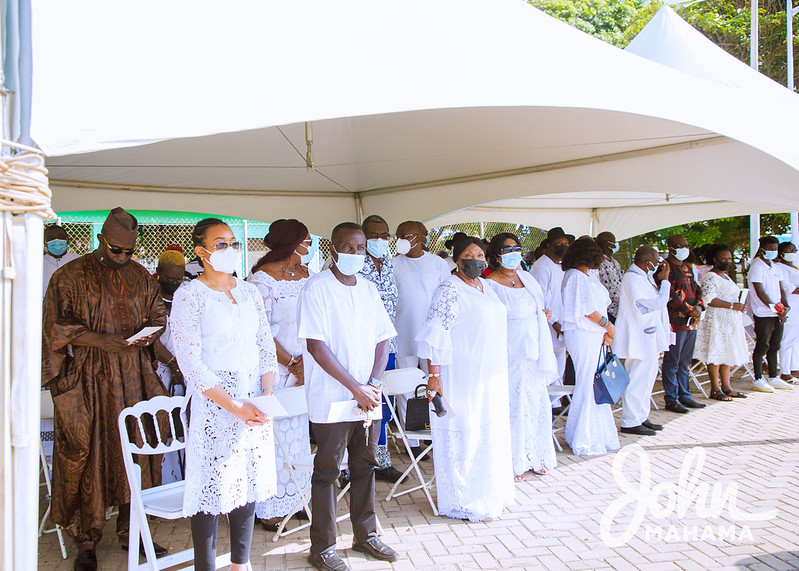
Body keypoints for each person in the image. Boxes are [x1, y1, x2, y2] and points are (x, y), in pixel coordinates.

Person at [42, 207, 167, 571]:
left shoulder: (141, 276)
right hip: (88, 381)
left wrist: (144, 336)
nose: (124, 257)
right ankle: (86, 540)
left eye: (129, 251)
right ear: (100, 240)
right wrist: (98, 340)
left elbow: (158, 317)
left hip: (133, 378)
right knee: (88, 452)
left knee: (138, 450)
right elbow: (54, 326)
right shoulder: (70, 275)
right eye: (117, 250)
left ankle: (133, 529)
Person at [170, 218, 278, 571]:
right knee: (211, 486)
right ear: (200, 251)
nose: (230, 249)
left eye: (233, 242)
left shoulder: (249, 291)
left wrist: (265, 394)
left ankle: (239, 563)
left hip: (253, 397)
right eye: (220, 244)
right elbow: (189, 358)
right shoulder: (190, 295)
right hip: (215, 402)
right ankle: (207, 566)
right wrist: (232, 404)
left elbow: (265, 344)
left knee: (246, 477)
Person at [298, 222, 399, 571]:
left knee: (365, 465)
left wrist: (372, 382)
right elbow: (315, 345)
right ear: (332, 249)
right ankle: (322, 547)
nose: (355, 254)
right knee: (327, 472)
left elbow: (383, 337)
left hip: (368, 398)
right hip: (332, 399)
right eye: (348, 247)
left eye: (360, 248)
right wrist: (355, 387)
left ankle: (365, 535)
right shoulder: (317, 288)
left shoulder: (369, 289)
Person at [417, 236, 515, 520]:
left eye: (481, 254)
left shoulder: (485, 286)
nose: (476, 259)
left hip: (489, 373)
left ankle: (488, 490)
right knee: (466, 429)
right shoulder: (449, 289)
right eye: (470, 254)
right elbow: (436, 333)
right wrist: (434, 375)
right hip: (461, 373)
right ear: (457, 259)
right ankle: (462, 498)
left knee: (488, 427)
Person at [247, 219, 315, 530]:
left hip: (305, 366)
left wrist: (308, 362)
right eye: (305, 239)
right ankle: (270, 507)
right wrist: (290, 362)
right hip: (275, 368)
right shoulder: (261, 280)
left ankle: (298, 498)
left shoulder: (307, 275)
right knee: (273, 439)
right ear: (291, 243)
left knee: (298, 436)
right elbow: (259, 332)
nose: (310, 244)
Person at [485, 233, 557, 479]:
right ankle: (514, 460)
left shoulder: (527, 278)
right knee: (513, 404)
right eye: (507, 250)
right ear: (496, 256)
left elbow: (539, 306)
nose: (514, 253)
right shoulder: (491, 284)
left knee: (536, 401)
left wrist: (542, 314)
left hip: (534, 352)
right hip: (509, 352)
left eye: (517, 248)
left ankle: (537, 455)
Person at [393, 220, 450, 454]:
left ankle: (435, 433)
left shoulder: (437, 263)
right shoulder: (392, 264)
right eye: (400, 236)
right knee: (406, 386)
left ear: (423, 237)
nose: (403, 241)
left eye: (408, 236)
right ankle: (412, 441)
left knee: (433, 383)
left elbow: (447, 296)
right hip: (402, 332)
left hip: (431, 335)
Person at [560, 237, 620, 456]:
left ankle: (597, 434)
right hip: (583, 333)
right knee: (587, 383)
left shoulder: (588, 275)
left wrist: (606, 331)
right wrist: (608, 326)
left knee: (594, 383)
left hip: (595, 334)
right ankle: (584, 437)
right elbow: (587, 310)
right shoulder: (575, 276)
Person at [357, 214, 404, 483]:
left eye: (384, 236)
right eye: (374, 236)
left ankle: (382, 462)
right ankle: (358, 463)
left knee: (385, 406)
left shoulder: (388, 264)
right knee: (362, 404)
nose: (380, 240)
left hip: (389, 345)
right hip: (361, 347)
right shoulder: (349, 264)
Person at [613, 246, 672, 436]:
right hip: (638, 338)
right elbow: (656, 303)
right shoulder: (632, 278)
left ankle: (641, 417)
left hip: (648, 337)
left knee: (647, 379)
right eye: (656, 261)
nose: (658, 265)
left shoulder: (643, 277)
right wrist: (665, 283)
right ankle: (630, 421)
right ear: (648, 262)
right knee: (637, 379)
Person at [694, 244, 749, 401]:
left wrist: (738, 307)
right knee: (716, 352)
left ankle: (727, 386)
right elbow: (709, 299)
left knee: (726, 352)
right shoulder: (710, 276)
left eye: (730, 258)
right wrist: (732, 306)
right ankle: (715, 388)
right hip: (717, 318)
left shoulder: (726, 276)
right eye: (723, 258)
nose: (727, 261)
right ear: (715, 259)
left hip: (730, 319)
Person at [658, 235, 707, 413]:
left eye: (686, 245)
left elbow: (697, 288)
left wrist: (699, 307)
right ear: (670, 247)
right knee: (672, 361)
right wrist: (688, 309)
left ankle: (684, 395)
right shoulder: (663, 267)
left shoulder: (687, 267)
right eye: (680, 246)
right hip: (675, 321)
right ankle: (671, 398)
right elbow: (669, 294)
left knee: (685, 361)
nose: (684, 249)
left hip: (691, 322)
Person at [152, 247, 187, 484]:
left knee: (183, 426)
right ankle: (163, 483)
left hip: (187, 372)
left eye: (179, 278)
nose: (175, 282)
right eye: (170, 278)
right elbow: (151, 339)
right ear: (159, 273)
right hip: (159, 372)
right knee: (162, 427)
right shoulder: (149, 295)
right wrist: (173, 366)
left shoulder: (188, 293)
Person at [530, 227, 574, 406]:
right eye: (559, 244)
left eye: (566, 244)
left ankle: (555, 401)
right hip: (549, 323)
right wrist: (554, 321)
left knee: (559, 363)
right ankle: (548, 403)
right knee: (548, 364)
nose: (563, 247)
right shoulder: (542, 266)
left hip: (561, 323)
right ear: (548, 245)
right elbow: (540, 298)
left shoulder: (560, 266)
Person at [748, 236, 792, 391]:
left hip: (777, 313)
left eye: (775, 249)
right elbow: (760, 292)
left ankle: (773, 376)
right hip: (764, 313)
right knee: (762, 345)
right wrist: (776, 308)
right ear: (762, 249)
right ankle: (758, 378)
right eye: (771, 248)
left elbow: (781, 289)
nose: (773, 251)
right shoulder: (756, 266)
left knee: (775, 345)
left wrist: (785, 307)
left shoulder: (774, 266)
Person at [777, 241, 799, 383]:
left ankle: (794, 368)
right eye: (789, 250)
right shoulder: (780, 268)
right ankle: (785, 371)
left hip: (797, 307)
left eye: (794, 250)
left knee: (795, 341)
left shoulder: (793, 267)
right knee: (787, 340)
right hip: (789, 306)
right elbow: (787, 287)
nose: (792, 252)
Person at [42, 224, 80, 295]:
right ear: (45, 243)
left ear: (67, 240)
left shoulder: (79, 261)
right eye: (51, 238)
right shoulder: (39, 263)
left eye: (60, 237)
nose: (56, 241)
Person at [596, 231, 624, 323]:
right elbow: (608, 288)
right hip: (610, 311)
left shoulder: (614, 261)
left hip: (621, 309)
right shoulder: (599, 262)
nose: (616, 244)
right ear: (607, 244)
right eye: (614, 242)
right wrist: (624, 300)